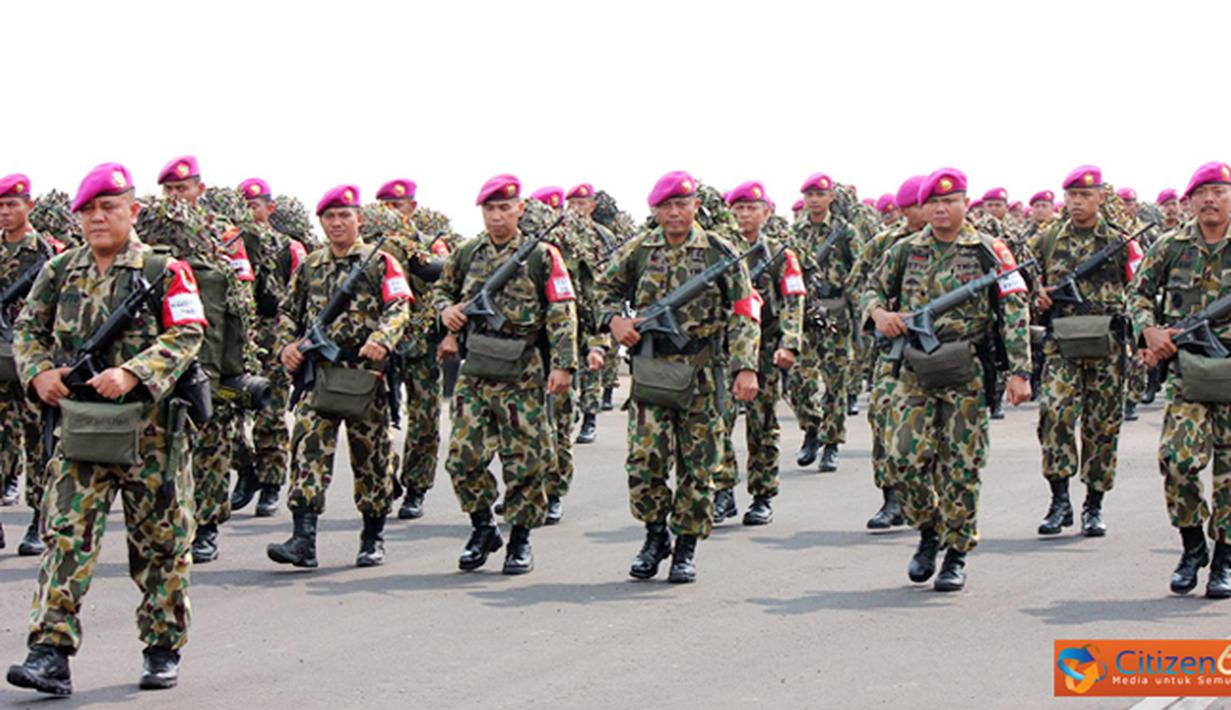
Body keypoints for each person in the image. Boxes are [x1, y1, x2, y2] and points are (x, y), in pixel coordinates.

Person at [7, 162, 205, 694]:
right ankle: (49, 652)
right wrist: (38, 373)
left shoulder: (166, 270)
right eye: (88, 209)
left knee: (160, 544)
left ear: (133, 210)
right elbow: (26, 329)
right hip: (81, 431)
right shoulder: (60, 270)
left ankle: (162, 648)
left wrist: (133, 372)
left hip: (151, 434)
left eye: (109, 206)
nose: (97, 217)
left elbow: (188, 334)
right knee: (65, 537)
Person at [864, 167, 1032, 592]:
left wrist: (1019, 371)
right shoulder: (904, 251)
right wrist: (880, 315)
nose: (941, 208)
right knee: (903, 458)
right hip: (913, 370)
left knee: (962, 466)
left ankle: (956, 551)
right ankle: (928, 531)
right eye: (934, 202)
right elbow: (871, 290)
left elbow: (1014, 308)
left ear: (964, 202)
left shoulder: (990, 252)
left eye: (950, 200)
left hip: (964, 370)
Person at [595, 170, 761, 582]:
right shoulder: (638, 249)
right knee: (644, 462)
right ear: (654, 210)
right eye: (666, 206)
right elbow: (600, 290)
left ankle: (685, 545)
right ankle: (654, 536)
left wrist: (745, 367)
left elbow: (744, 312)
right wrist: (614, 321)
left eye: (682, 204)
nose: (674, 213)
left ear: (695, 207)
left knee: (699, 465)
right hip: (652, 369)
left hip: (702, 372)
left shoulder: (720, 252)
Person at [433, 174, 577, 574]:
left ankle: (520, 540)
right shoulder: (466, 253)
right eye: (489, 209)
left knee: (527, 459)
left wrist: (564, 364)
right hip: (476, 365)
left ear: (520, 209)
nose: (496, 217)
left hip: (522, 368)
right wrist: (445, 312)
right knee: (463, 456)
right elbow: (442, 291)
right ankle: (483, 527)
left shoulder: (541, 255)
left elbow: (562, 310)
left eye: (504, 208)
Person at [267, 184, 412, 568]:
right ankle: (303, 539)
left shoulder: (381, 262)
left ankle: (372, 536)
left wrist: (383, 339)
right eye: (329, 217)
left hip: (366, 377)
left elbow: (399, 307)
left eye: (344, 215)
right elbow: (286, 313)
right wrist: (286, 346)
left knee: (373, 458)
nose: (336, 223)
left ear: (359, 219)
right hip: (321, 376)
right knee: (307, 452)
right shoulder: (310, 266)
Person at [1133, 161, 1231, 599]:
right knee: (1176, 459)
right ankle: (1193, 547)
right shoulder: (1171, 245)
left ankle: (1225, 559)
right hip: (1187, 369)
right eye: (1202, 193)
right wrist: (1150, 330)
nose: (1210, 199)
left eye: (1219, 191)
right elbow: (1135, 293)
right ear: (1190, 201)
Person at [1028, 165, 1140, 538]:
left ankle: (1094, 503)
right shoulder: (1046, 241)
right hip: (1063, 343)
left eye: (1085, 196)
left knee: (1102, 426)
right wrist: (1039, 298)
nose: (1077, 203)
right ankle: (1060, 500)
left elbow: (1139, 290)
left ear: (1100, 198)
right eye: (1072, 196)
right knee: (1055, 414)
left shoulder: (1121, 241)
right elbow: (1023, 289)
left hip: (1107, 345)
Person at [713, 181, 803, 526]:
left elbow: (794, 302)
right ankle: (723, 490)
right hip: (727, 346)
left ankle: (763, 495)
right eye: (738, 208)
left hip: (766, 346)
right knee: (718, 420)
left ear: (766, 212)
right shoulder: (721, 251)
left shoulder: (782, 255)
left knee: (762, 424)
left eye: (751, 208)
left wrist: (789, 343)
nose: (744, 215)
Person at [850, 174, 927, 530]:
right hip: (895, 349)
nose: (918, 213)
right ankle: (891, 498)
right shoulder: (886, 244)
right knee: (882, 416)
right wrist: (880, 312)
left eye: (919, 205)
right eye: (911, 207)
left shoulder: (969, 245)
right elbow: (860, 285)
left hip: (949, 351)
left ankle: (928, 499)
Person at [0, 173, 59, 555]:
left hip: (33, 360)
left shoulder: (47, 254)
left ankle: (38, 521)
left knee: (39, 445)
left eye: (12, 205)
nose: (5, 212)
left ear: (29, 206)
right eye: (0, 206)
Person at [787, 173, 858, 472]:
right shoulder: (794, 233)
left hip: (835, 312)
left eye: (820, 194)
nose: (814, 199)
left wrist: (858, 317)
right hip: (805, 312)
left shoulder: (846, 232)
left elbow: (859, 271)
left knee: (835, 382)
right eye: (809, 194)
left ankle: (831, 443)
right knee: (798, 381)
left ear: (831, 197)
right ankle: (811, 427)